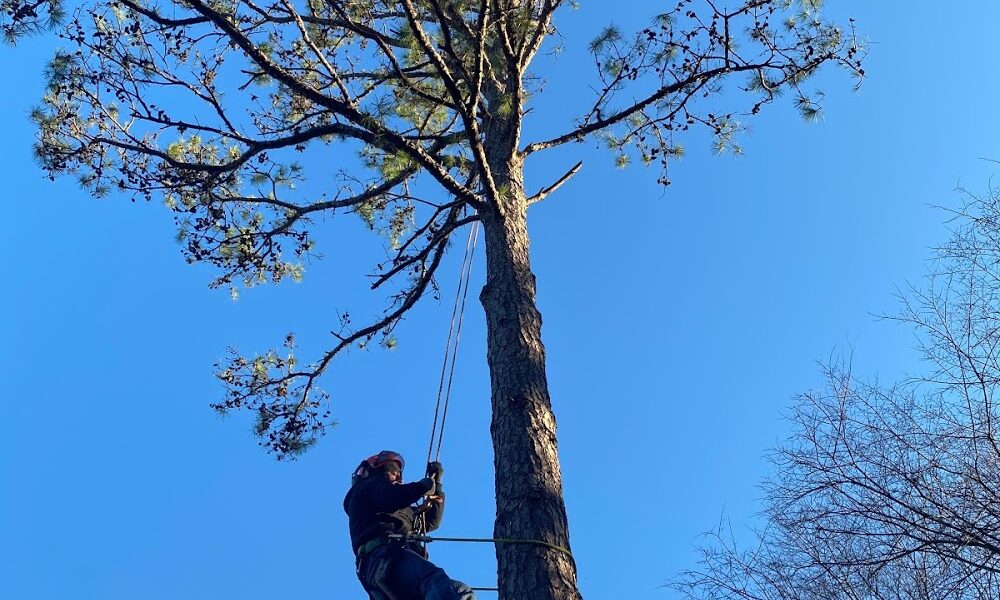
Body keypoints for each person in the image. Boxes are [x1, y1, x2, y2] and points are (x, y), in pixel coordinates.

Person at [344, 450, 475, 600]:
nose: (398, 477)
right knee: (432, 579)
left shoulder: (399, 512)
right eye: (393, 472)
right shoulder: (366, 491)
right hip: (383, 558)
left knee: (460, 590)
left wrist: (436, 486)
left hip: (393, 564)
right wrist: (421, 486)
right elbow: (392, 495)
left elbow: (431, 521)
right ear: (377, 472)